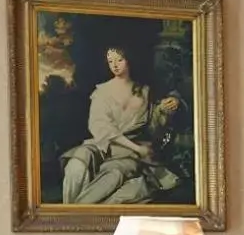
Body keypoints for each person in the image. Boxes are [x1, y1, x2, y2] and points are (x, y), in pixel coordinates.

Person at [59, 47, 181, 204]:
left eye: (119, 60)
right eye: (110, 61)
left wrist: (164, 110)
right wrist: (137, 148)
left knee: (114, 174)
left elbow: (153, 127)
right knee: (76, 164)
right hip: (101, 145)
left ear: (129, 61)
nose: (114, 65)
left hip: (128, 152)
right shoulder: (102, 91)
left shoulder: (145, 91)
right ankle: (68, 209)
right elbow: (100, 126)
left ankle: (75, 213)